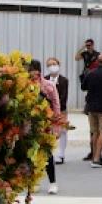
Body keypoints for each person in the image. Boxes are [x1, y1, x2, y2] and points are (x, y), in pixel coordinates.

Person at [29, 60, 63, 195]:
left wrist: (57, 126)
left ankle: (53, 183)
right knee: (32, 154)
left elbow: (56, 105)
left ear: (37, 70)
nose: (29, 72)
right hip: (30, 125)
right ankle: (35, 182)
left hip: (46, 124)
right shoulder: (24, 85)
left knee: (47, 154)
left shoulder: (49, 85)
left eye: (31, 69)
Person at [45, 57, 70, 164]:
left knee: (62, 131)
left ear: (58, 65)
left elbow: (64, 97)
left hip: (61, 110)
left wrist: (57, 109)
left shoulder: (64, 80)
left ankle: (61, 154)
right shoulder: (45, 79)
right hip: (47, 110)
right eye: (50, 65)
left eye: (54, 64)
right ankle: (48, 154)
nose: (52, 66)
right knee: (48, 132)